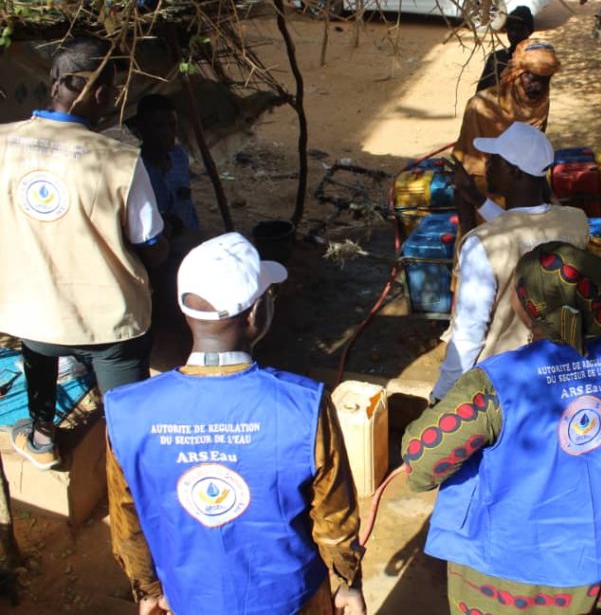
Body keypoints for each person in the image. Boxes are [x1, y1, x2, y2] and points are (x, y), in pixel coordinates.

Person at [104, 232, 366, 615]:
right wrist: (347, 581)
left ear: (187, 311)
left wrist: (147, 589)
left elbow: (128, 520)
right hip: (291, 599)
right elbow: (334, 516)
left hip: (190, 599)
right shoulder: (304, 405)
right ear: (255, 314)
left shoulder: (128, 411)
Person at [403, 242, 601, 615]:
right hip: (597, 550)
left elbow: (420, 463)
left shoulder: (497, 381)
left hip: (505, 565)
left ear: (528, 307)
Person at [0, 36, 168, 471]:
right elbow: (150, 244)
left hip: (30, 316)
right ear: (99, 93)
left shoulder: (3, 143)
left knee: (39, 353)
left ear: (54, 82)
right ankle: (131, 472)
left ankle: (42, 437)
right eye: (113, 92)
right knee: (126, 413)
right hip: (109, 324)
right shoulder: (120, 160)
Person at [432, 123, 589, 402]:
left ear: (514, 172)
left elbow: (469, 335)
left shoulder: (482, 245)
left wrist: (442, 398)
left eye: (495, 160)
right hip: (559, 372)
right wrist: (476, 198)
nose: (487, 165)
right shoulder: (576, 221)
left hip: (504, 384)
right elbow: (524, 226)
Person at [452, 39, 560, 186]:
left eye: (544, 80)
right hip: (484, 188)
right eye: (530, 77)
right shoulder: (480, 106)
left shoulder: (541, 102)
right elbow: (468, 162)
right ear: (516, 73)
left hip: (523, 187)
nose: (538, 87)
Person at [134, 94, 200, 240]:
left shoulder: (179, 157)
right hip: (158, 245)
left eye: (172, 125)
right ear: (141, 128)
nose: (167, 133)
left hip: (190, 237)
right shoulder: (135, 168)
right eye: (159, 126)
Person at [476, 6, 535, 92]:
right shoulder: (496, 58)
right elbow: (481, 91)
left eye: (519, 29)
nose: (514, 34)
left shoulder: (537, 59)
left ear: (529, 31)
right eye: (511, 29)